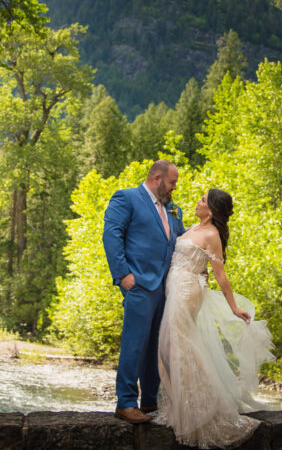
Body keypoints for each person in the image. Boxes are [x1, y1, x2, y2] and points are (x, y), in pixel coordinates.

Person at [155, 188, 275, 448]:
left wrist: (233, 308)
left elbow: (220, 274)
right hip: (175, 287)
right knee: (168, 347)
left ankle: (204, 407)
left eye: (201, 200)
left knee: (178, 346)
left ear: (211, 210)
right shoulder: (194, 227)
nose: (196, 202)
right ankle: (181, 408)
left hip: (188, 291)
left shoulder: (212, 235)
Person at [102, 159, 186, 424]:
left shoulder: (174, 210)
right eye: (172, 182)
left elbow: (182, 241)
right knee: (134, 344)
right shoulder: (126, 198)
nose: (174, 187)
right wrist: (123, 275)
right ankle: (126, 403)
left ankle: (150, 402)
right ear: (156, 178)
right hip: (138, 284)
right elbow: (111, 235)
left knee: (157, 347)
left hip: (166, 288)